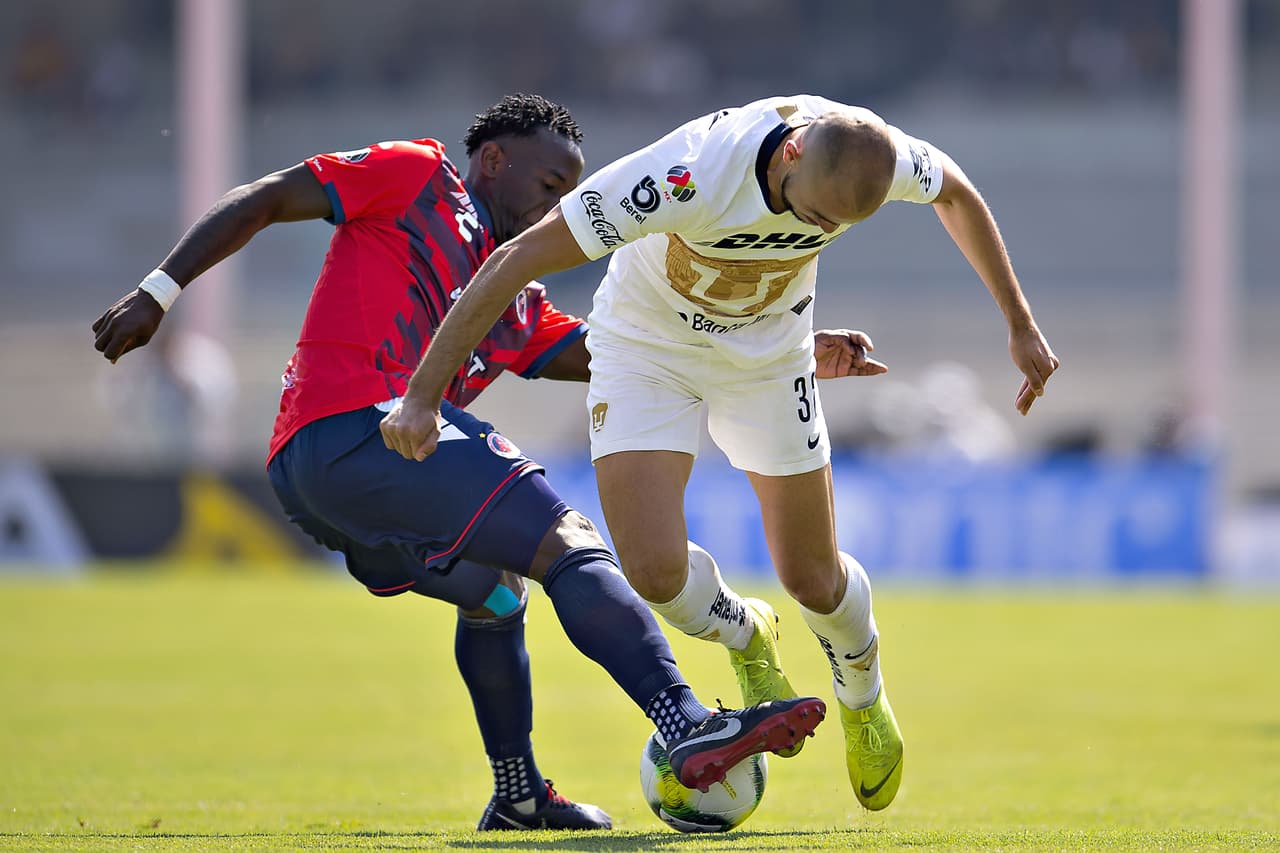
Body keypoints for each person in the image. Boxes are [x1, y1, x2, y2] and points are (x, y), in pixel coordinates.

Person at [90, 94, 826, 832]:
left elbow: (626, 357)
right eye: (548, 186)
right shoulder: (416, 176)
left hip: (319, 479)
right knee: (569, 543)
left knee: (497, 596)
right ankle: (686, 719)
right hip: (354, 426)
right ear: (495, 160)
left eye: (569, 194)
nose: (557, 208)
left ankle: (518, 794)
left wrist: (779, 347)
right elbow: (264, 198)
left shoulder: (513, 300)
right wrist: (161, 290)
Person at [380, 94, 1061, 813]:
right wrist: (423, 394)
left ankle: (862, 693)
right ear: (791, 153)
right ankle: (747, 633)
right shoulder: (683, 175)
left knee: (815, 579)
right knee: (652, 572)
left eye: (834, 227)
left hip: (768, 356)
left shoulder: (871, 151)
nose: (817, 231)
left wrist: (1019, 323)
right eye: (815, 214)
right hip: (648, 348)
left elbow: (955, 190)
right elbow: (517, 257)